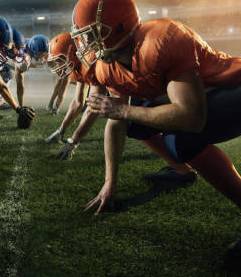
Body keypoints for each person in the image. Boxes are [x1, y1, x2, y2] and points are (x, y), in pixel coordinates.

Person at [74, 0, 241, 257]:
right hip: (202, 99)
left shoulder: (161, 39)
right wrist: (110, 183)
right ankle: (181, 171)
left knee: (183, 138)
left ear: (117, 28)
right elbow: (116, 121)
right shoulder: (107, 67)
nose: (85, 45)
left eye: (91, 35)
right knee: (134, 123)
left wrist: (124, 112)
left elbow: (190, 117)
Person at [45, 33, 196, 184]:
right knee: (136, 125)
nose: (57, 66)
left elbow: (93, 107)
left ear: (72, 53)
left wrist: (73, 141)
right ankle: (181, 167)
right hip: (139, 90)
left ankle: (182, 169)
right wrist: (61, 130)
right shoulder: (80, 65)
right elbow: (78, 102)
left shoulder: (92, 62)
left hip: (151, 90)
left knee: (135, 124)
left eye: (59, 60)